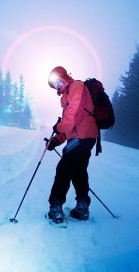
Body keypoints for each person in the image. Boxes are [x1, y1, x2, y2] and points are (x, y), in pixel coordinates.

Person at [45, 66, 99, 223]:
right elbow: (73, 126)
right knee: (78, 170)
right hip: (82, 137)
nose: (57, 86)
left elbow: (69, 121)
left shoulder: (77, 87)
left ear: (63, 76)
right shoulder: (66, 95)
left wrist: (58, 127)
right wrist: (56, 140)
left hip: (83, 138)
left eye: (57, 81)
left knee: (63, 169)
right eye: (54, 85)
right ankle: (82, 208)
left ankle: (56, 208)